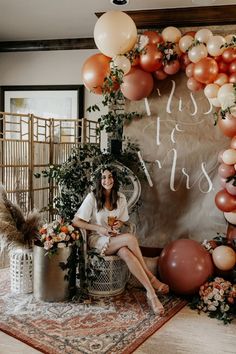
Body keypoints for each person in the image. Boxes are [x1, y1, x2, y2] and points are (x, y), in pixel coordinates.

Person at [72, 166, 169, 315]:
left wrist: (120, 224)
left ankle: (151, 294)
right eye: (103, 177)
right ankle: (152, 278)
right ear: (99, 180)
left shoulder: (121, 198)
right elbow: (76, 222)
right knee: (130, 239)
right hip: (97, 239)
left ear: (114, 179)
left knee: (127, 253)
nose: (107, 180)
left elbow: (123, 220)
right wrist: (98, 228)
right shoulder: (92, 198)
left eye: (110, 176)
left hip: (114, 238)